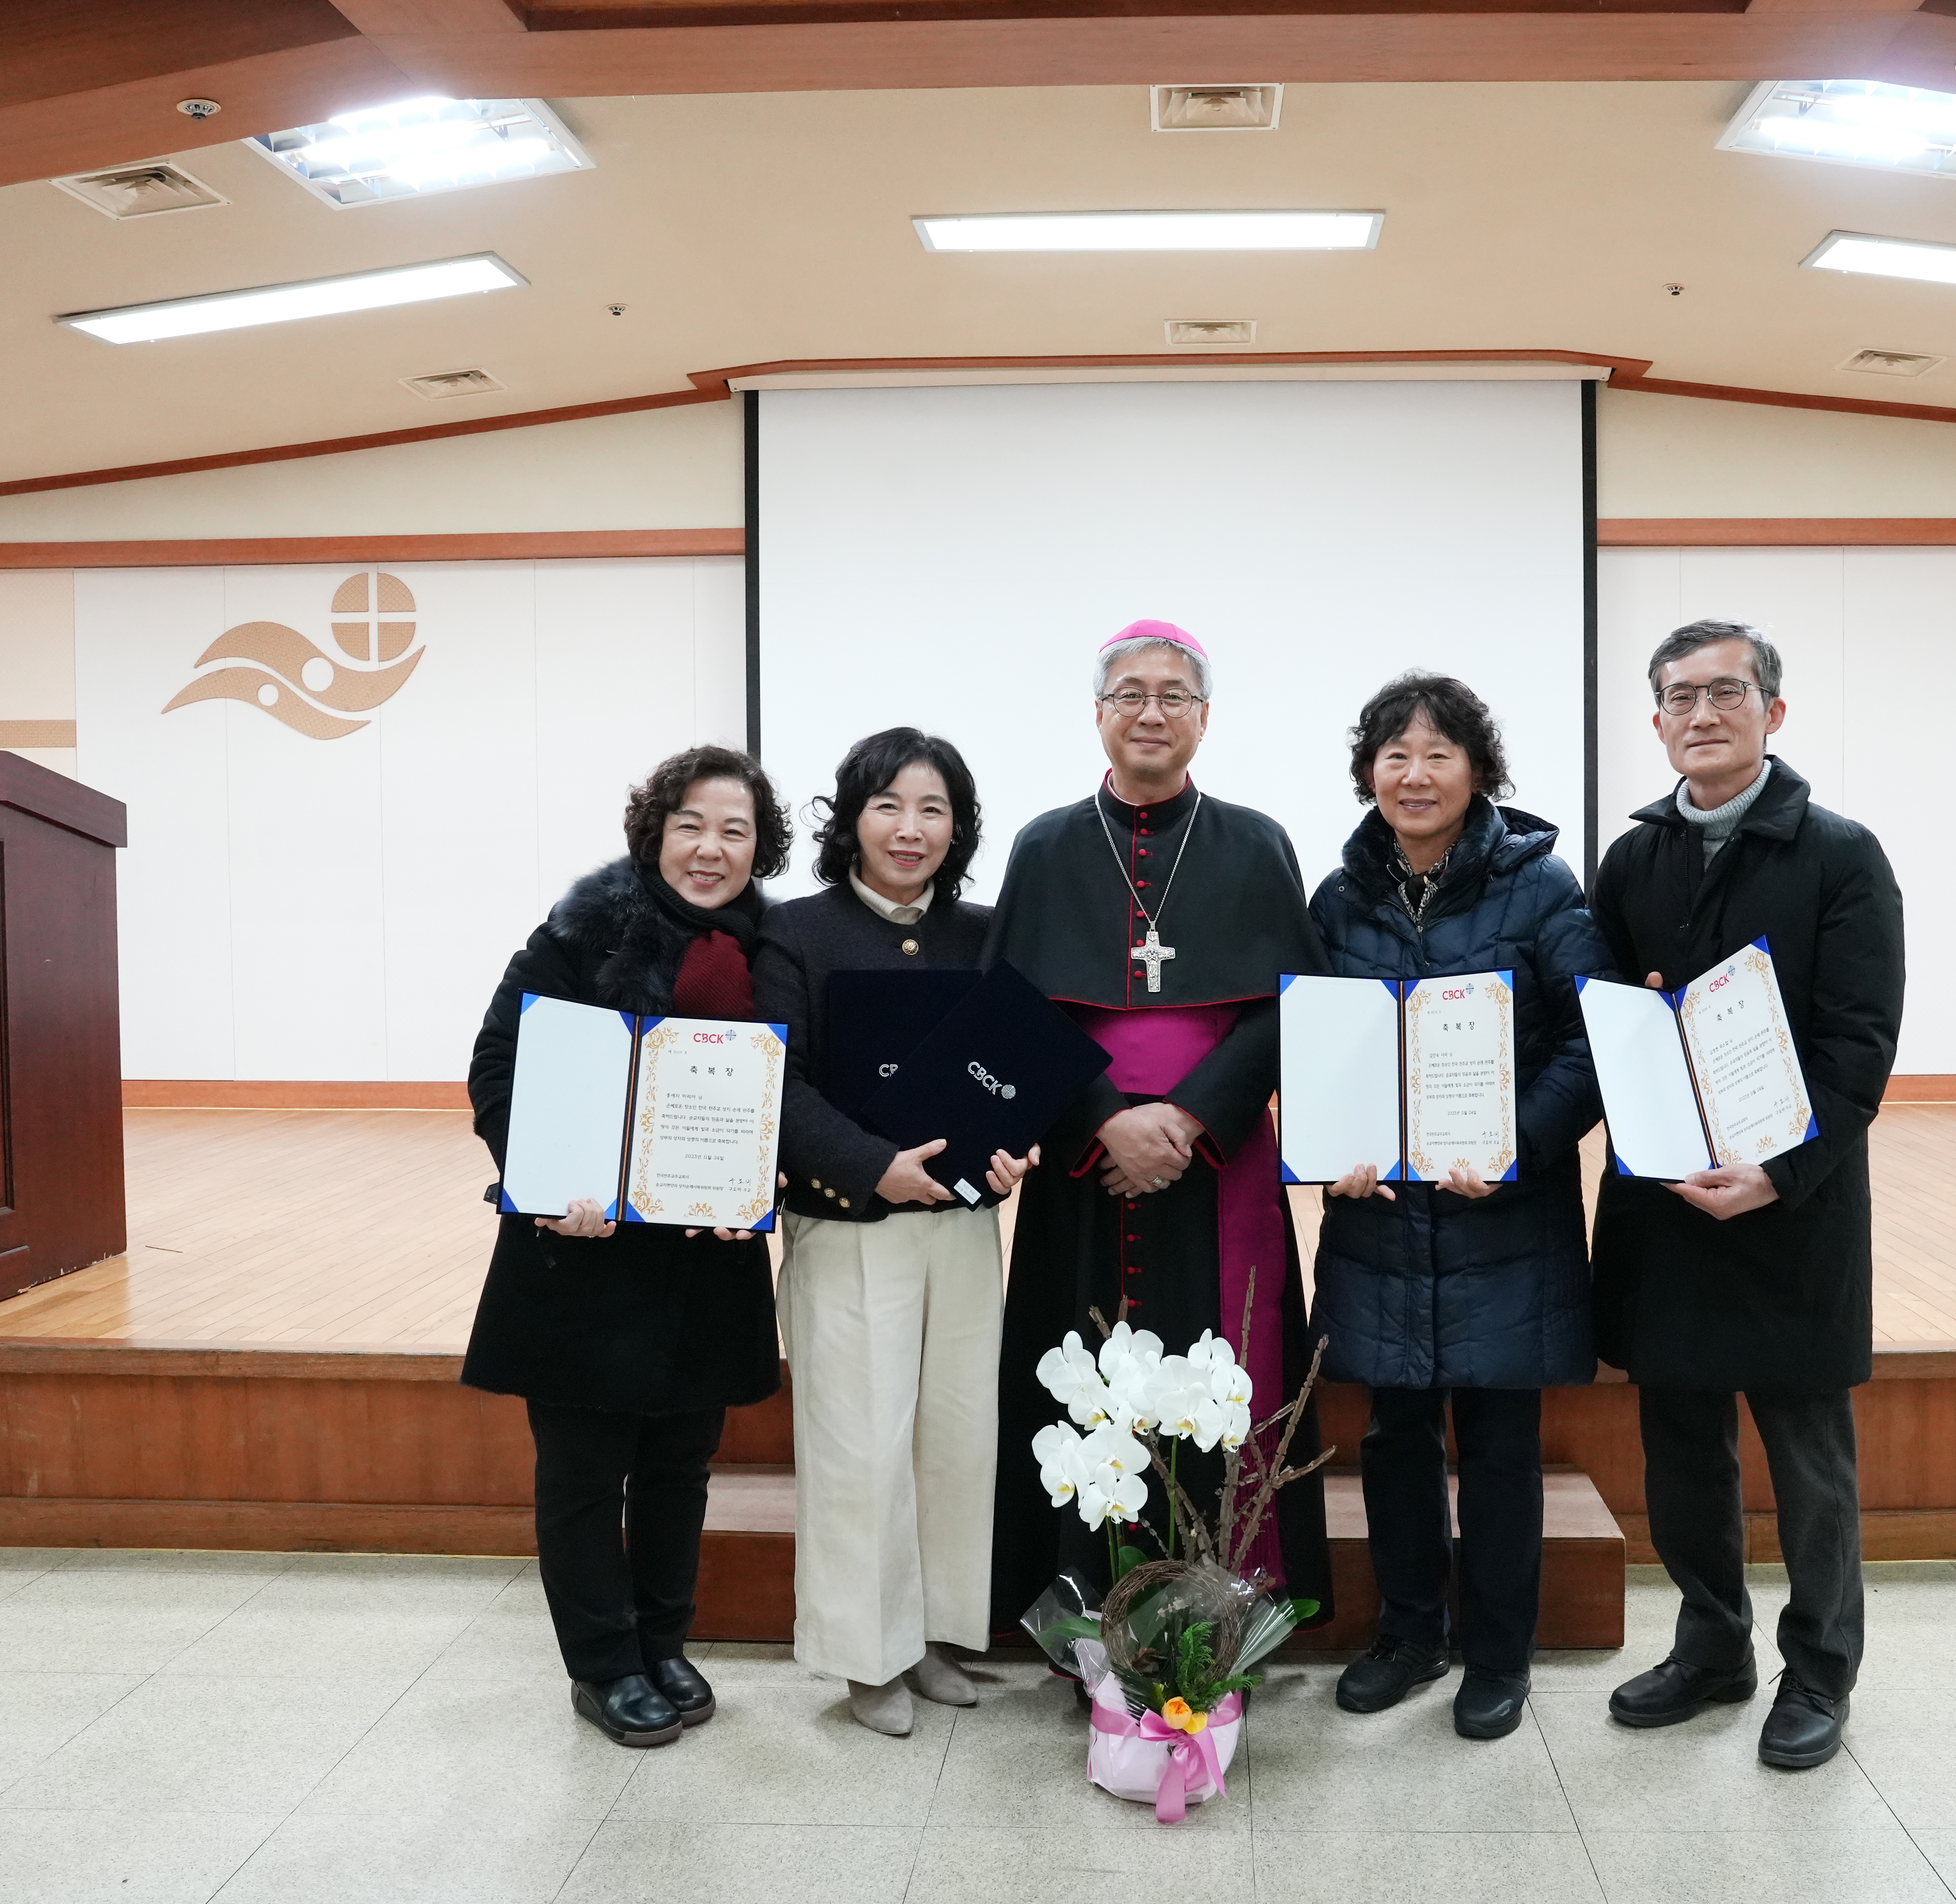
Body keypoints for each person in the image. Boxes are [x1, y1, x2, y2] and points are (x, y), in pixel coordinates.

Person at [1591, 620, 1904, 1771]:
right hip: (1668, 1204)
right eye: (1680, 697)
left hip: (1793, 1210)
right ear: (1657, 720)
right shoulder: (1631, 861)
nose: (1703, 714)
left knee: (1810, 1460)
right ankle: (1713, 1646)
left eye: (1727, 692)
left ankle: (1820, 1670)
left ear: (1774, 712)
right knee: (1681, 1447)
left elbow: (1860, 1042)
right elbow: (1609, 1023)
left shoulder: (1841, 855)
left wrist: (1780, 1171)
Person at [986, 621, 1334, 1625]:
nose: (1151, 711)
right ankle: (1084, 1617)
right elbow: (1012, 1008)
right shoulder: (1047, 845)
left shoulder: (1256, 842)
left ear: (1204, 717)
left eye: (1172, 694)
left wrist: (1185, 1117)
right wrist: (1104, 1121)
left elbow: (1290, 1004)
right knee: (1078, 1381)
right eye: (1130, 694)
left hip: (1217, 1162)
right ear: (1099, 713)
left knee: (1230, 1373)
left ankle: (1227, 1614)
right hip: (1085, 1167)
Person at [463, 745, 793, 1749]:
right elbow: (498, 1063)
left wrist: (767, 1178)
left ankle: (664, 1641)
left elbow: (797, 1092)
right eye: (691, 824)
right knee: (582, 1469)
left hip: (705, 1252)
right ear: (655, 832)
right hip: (584, 1247)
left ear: (760, 847)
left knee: (679, 1465)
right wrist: (548, 1177)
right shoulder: (580, 932)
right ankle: (604, 1662)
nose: (710, 848)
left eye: (734, 830)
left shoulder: (776, 949)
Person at [1308, 672, 1613, 1741]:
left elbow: (1589, 1044)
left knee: (1497, 1440)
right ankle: (1407, 1634)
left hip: (1502, 1216)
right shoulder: (1339, 897)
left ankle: (1497, 1652)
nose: (1415, 773)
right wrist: (1330, 1148)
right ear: (1369, 773)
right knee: (1393, 1434)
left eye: (1438, 752)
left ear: (1479, 770)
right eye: (1395, 753)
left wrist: (1514, 1142)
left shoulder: (1542, 888)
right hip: (1382, 1219)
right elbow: (1317, 1049)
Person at [752, 728, 1034, 1737]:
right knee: (859, 1444)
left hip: (961, 1223)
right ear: (851, 819)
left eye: (933, 809)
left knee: (956, 1435)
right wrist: (875, 1164)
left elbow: (1012, 1069)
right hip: (851, 1222)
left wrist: (1016, 1147)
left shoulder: (984, 934)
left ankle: (938, 1635)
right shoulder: (794, 932)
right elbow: (780, 1082)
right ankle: (865, 1655)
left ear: (959, 827)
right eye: (888, 806)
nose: (910, 829)